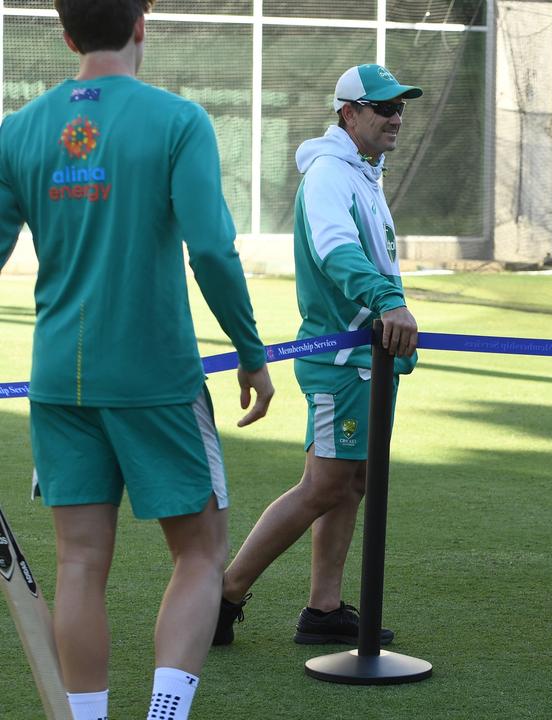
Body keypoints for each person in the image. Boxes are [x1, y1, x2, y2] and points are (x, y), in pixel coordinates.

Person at [0, 1, 275, 718]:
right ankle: (164, 715)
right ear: (142, 24)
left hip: (59, 378)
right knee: (201, 552)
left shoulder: (19, 130)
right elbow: (211, 249)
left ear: (64, 34)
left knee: (80, 563)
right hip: (156, 376)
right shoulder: (179, 121)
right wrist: (251, 353)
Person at [214, 64, 421, 647]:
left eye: (400, 107)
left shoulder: (358, 170)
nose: (396, 117)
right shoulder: (332, 172)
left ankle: (323, 609)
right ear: (348, 114)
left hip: (364, 357)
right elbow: (335, 251)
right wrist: (387, 300)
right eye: (383, 107)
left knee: (349, 481)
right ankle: (224, 594)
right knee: (326, 484)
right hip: (343, 358)